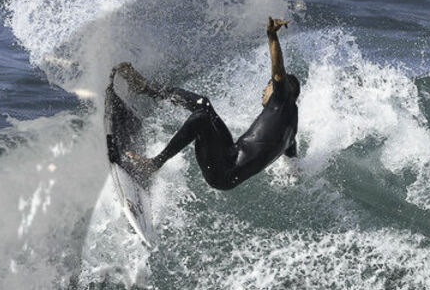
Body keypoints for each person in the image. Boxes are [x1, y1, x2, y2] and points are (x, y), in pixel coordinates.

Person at [105, 17, 300, 191]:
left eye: (268, 86)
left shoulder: (282, 101)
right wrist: (293, 175)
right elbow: (291, 153)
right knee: (203, 104)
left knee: (202, 118)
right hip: (229, 154)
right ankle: (144, 88)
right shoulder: (291, 127)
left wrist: (272, 36)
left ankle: (153, 165)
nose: (264, 90)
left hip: (224, 171)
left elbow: (277, 72)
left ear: (281, 90)